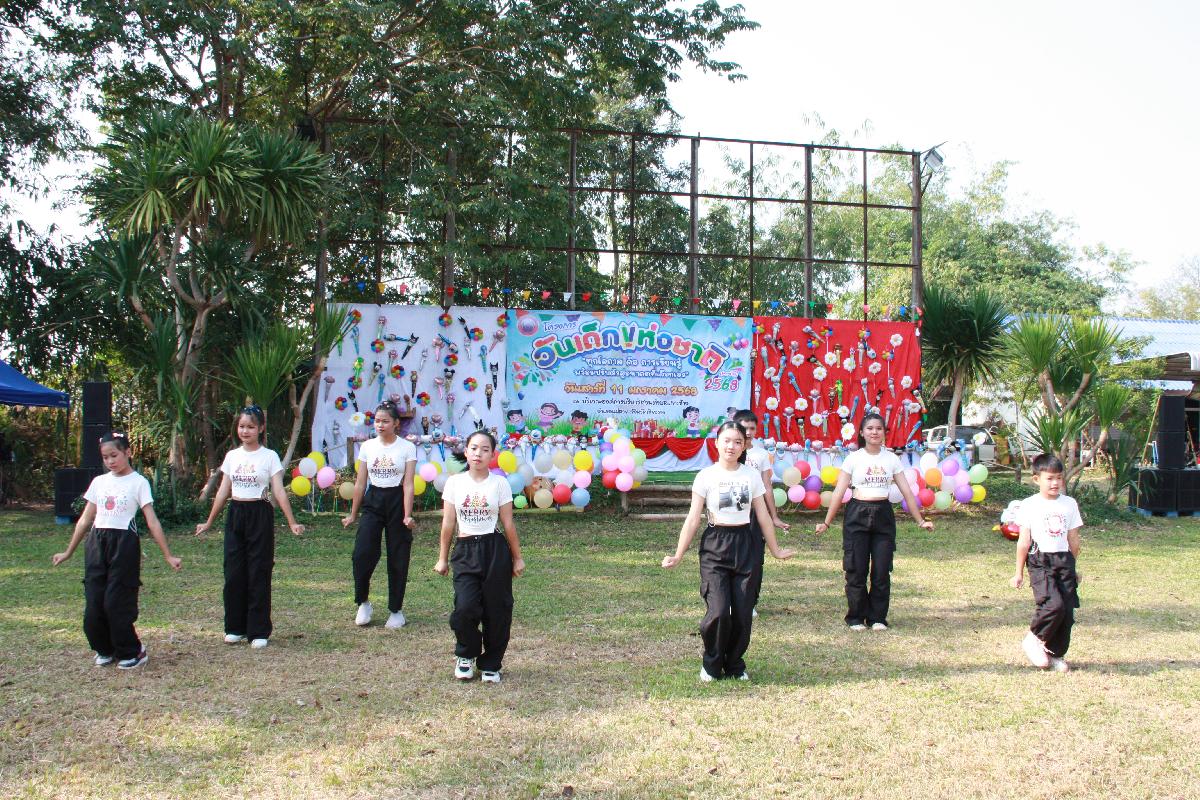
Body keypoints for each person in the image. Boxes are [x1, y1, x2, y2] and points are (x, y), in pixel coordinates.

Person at [662, 421, 796, 682]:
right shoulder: (706, 476)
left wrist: (776, 550)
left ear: (744, 446)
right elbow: (693, 519)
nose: (731, 446)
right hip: (715, 545)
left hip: (745, 543)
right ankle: (712, 664)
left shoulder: (751, 476)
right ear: (716, 443)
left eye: (738, 442)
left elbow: (763, 516)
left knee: (743, 613)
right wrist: (678, 555)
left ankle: (735, 664)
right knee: (719, 611)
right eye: (727, 440)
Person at [51, 432, 182, 669]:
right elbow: (85, 519)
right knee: (94, 604)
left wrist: (168, 555)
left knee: (116, 603)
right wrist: (68, 551)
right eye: (105, 457)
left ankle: (133, 651)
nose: (110, 461)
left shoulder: (139, 483)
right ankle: (105, 649)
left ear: (128, 452)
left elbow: (152, 521)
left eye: (114, 455)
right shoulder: (99, 482)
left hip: (124, 544)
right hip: (97, 543)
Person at [195, 405, 305, 649]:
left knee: (259, 571)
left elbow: (278, 490)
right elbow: (223, 490)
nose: (245, 431)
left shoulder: (269, 456)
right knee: (233, 572)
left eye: (251, 427)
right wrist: (209, 521)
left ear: (261, 428)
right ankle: (235, 628)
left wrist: (292, 521)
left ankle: (258, 631)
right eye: (242, 426)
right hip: (236, 514)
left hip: (260, 513)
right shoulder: (232, 456)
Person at [815, 413, 932, 631]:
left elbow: (907, 492)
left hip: (883, 515)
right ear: (862, 432)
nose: (874, 432)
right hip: (857, 514)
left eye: (879, 428)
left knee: (881, 570)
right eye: (869, 428)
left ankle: (877, 618)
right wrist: (826, 522)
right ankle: (856, 617)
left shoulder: (891, 459)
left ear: (884, 432)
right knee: (856, 568)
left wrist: (920, 521)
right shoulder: (853, 458)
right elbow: (839, 492)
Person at [434, 430, 525, 684]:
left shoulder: (499, 484)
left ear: (492, 455)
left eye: (485, 450)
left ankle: (491, 664)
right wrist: (442, 558)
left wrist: (517, 558)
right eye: (474, 448)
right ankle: (466, 655)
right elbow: (448, 523)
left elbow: (508, 524)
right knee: (465, 608)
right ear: (466, 452)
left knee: (497, 610)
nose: (478, 453)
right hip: (465, 550)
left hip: (494, 549)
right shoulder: (454, 483)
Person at [343, 400, 417, 628]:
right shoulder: (368, 447)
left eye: (385, 421)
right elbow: (360, 483)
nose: (380, 425)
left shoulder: (407, 448)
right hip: (373, 500)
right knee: (362, 554)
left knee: (398, 556)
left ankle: (396, 610)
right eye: (377, 421)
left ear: (396, 423)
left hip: (397, 500)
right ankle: (363, 602)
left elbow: (408, 484)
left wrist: (407, 514)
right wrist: (353, 514)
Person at [1009, 453, 1082, 672]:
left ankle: (1054, 653)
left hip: (1064, 559)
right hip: (1040, 560)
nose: (1055, 483)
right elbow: (1024, 541)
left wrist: (1073, 567)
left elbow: (1073, 539)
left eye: (1059, 477)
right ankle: (1034, 638)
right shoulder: (1029, 505)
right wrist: (1018, 572)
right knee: (1053, 604)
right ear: (1036, 479)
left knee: (1066, 610)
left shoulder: (1069, 504)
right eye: (1049, 478)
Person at [732, 409, 790, 618]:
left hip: (756, 511)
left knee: (755, 558)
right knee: (733, 556)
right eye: (744, 428)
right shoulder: (729, 451)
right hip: (733, 510)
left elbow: (767, 485)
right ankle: (731, 600)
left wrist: (773, 516)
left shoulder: (761, 454)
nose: (748, 432)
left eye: (752, 428)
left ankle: (750, 602)